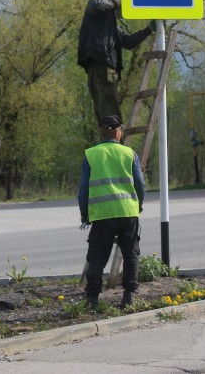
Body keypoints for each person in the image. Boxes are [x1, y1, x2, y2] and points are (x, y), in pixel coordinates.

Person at [77, 114, 146, 310]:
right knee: (131, 253)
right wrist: (138, 205)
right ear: (118, 132)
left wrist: (85, 215)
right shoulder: (129, 153)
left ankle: (92, 299)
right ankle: (129, 296)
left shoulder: (91, 155)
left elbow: (83, 190)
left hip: (102, 214)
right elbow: (140, 184)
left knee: (97, 257)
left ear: (101, 133)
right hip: (127, 213)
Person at [77, 0, 155, 123]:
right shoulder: (95, 9)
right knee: (105, 109)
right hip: (101, 66)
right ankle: (112, 138)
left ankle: (111, 137)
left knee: (106, 107)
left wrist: (148, 30)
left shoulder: (113, 28)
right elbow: (95, 5)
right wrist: (118, 1)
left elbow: (129, 42)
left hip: (106, 68)